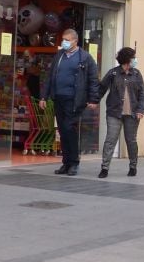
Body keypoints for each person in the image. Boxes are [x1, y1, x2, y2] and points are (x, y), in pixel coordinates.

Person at [39, 29, 99, 176]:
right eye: (63, 39)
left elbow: (93, 80)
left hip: (74, 100)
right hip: (58, 98)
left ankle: (73, 163)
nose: (64, 42)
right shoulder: (59, 56)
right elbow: (50, 77)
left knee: (69, 128)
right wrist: (43, 97)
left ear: (75, 41)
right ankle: (66, 163)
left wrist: (93, 99)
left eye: (67, 40)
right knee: (62, 130)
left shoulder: (85, 58)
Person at [97, 47, 144, 178]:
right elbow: (101, 88)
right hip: (114, 113)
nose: (135, 60)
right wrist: (93, 101)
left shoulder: (136, 74)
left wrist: (141, 110)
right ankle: (104, 168)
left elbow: (143, 94)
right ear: (127, 59)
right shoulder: (113, 73)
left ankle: (133, 166)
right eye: (133, 57)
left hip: (132, 114)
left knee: (131, 140)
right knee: (110, 140)